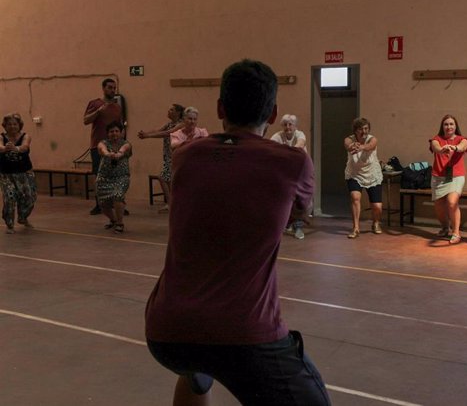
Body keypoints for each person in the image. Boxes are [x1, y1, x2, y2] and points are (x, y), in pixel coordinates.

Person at [145, 59, 330, 406]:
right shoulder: (292, 161)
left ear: (219, 108)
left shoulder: (186, 156)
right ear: (273, 113)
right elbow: (300, 213)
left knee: (197, 371)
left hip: (167, 330)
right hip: (244, 331)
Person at [83, 78, 123, 215]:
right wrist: (98, 111)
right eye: (110, 87)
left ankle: (118, 202)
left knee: (116, 175)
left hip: (114, 146)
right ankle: (99, 203)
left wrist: (121, 143)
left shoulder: (117, 107)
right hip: (98, 145)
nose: (112, 90)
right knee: (99, 175)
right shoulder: (95, 103)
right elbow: (85, 120)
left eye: (114, 88)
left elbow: (120, 126)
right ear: (103, 88)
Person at [429, 114, 467, 244]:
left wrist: (455, 148)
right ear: (442, 126)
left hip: (456, 176)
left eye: (451, 124)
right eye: (446, 124)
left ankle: (456, 232)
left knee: (452, 202)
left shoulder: (462, 139)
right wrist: (442, 150)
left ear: (455, 126)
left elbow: (463, 146)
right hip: (438, 176)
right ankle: (445, 227)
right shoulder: (436, 139)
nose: (449, 127)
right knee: (439, 207)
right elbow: (435, 147)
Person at [138, 104, 185, 213]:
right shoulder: (169, 124)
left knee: (164, 178)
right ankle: (172, 203)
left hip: (177, 155)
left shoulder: (181, 124)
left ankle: (171, 203)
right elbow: (158, 130)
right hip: (168, 156)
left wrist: (148, 136)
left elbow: (167, 133)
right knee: (167, 179)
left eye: (172, 109)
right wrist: (146, 133)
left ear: (178, 113)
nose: (169, 111)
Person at [271, 114, 309, 239]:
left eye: (290, 124)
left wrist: (283, 153)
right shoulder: (277, 136)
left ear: (295, 126)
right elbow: (270, 147)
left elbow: (300, 145)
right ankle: (285, 224)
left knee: (299, 199)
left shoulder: (300, 134)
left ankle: (298, 226)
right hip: (285, 171)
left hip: (300, 171)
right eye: (285, 125)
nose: (288, 127)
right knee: (282, 197)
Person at [344, 117, 383, 238]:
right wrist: (352, 147)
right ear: (355, 130)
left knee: (377, 206)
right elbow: (347, 145)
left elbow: (371, 146)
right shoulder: (349, 139)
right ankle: (356, 228)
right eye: (361, 129)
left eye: (366, 128)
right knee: (355, 197)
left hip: (372, 173)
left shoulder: (373, 139)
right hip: (355, 173)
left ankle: (376, 222)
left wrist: (361, 147)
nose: (364, 131)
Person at [0, 113, 37, 234]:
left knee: (29, 197)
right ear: (5, 126)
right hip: (7, 175)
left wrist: (16, 148)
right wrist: (5, 148)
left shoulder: (26, 136)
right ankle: (9, 224)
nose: (12, 126)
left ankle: (23, 217)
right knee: (10, 197)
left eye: (15, 124)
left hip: (25, 173)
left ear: (19, 125)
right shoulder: (1, 137)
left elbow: (25, 146)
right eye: (9, 124)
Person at [96, 122, 132, 234]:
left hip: (121, 177)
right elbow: (102, 149)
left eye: (117, 131)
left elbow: (124, 149)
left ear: (121, 132)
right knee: (103, 204)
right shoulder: (103, 143)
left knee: (118, 195)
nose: (114, 133)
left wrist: (118, 154)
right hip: (104, 177)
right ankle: (113, 220)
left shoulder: (126, 144)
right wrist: (108, 154)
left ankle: (120, 223)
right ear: (107, 133)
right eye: (111, 131)